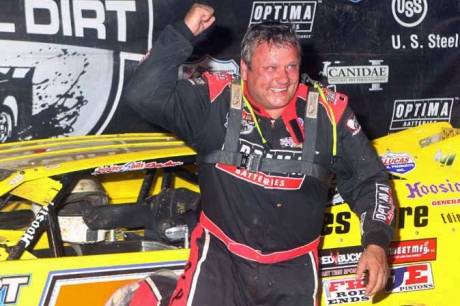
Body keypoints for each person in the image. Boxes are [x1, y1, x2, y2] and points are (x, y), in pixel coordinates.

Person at [124, 3, 395, 306]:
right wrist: (182, 33)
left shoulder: (329, 114)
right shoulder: (214, 101)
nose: (282, 79)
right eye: (270, 68)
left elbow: (369, 181)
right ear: (244, 69)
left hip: (293, 271)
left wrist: (376, 244)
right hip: (220, 261)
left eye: (290, 67)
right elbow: (142, 94)